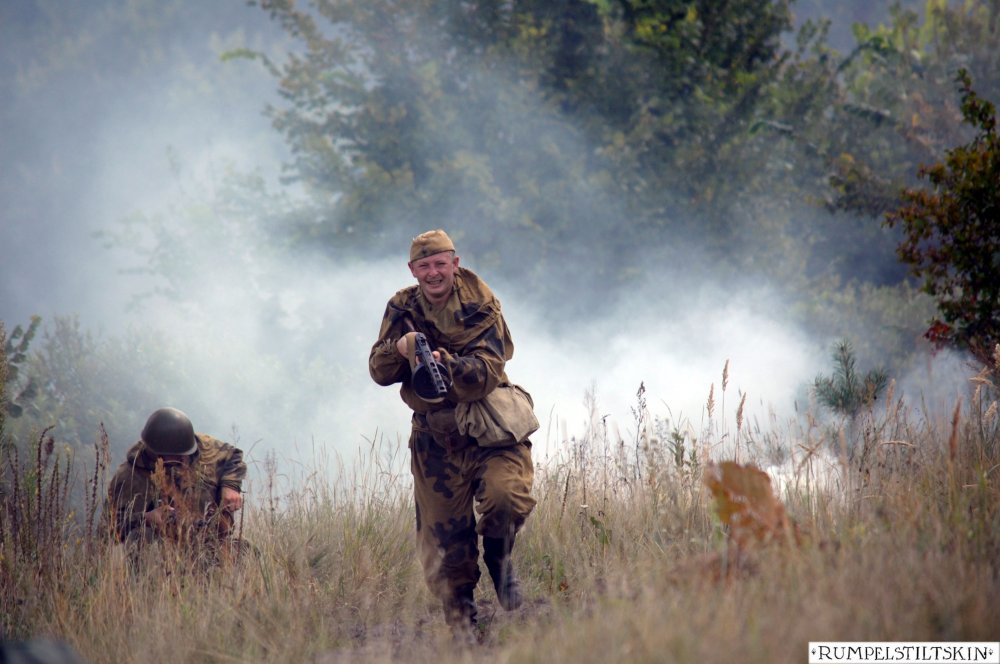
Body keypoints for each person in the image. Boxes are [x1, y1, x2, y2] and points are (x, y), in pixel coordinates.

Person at [369, 229, 537, 640]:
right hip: (435, 437)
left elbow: (488, 370)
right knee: (444, 544)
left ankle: (499, 557)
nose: (433, 273)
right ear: (413, 270)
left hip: (486, 430)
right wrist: (402, 350)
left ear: (455, 264)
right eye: (424, 266)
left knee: (507, 497)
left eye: (440, 264)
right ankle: (462, 626)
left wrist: (445, 363)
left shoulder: (481, 303)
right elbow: (378, 371)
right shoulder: (402, 306)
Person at [106, 407, 247, 560]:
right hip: (162, 554)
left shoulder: (204, 448)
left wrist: (230, 486)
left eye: (182, 456)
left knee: (248, 552)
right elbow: (107, 530)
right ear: (154, 453)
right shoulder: (129, 476)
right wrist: (146, 518)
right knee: (141, 537)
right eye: (171, 457)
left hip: (209, 544)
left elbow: (234, 456)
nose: (180, 461)